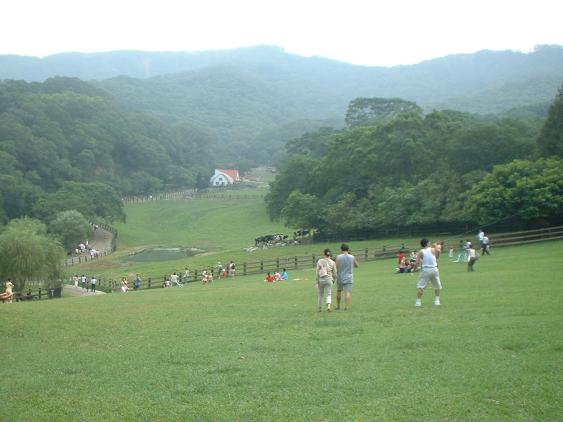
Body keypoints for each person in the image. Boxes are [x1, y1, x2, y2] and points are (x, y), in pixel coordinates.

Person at [413, 238, 442, 307]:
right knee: (437, 286)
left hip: (425, 270)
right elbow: (437, 256)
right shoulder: (433, 249)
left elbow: (416, 263)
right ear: (428, 243)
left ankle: (418, 302)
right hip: (434, 269)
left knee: (420, 286)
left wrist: (414, 270)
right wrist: (436, 247)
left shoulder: (420, 252)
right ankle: (437, 301)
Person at [335, 244, 359, 311]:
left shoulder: (338, 257)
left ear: (341, 249)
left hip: (340, 276)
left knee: (339, 291)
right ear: (348, 249)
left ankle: (338, 306)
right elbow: (357, 265)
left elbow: (335, 267)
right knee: (347, 292)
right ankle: (346, 307)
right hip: (349, 277)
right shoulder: (352, 257)